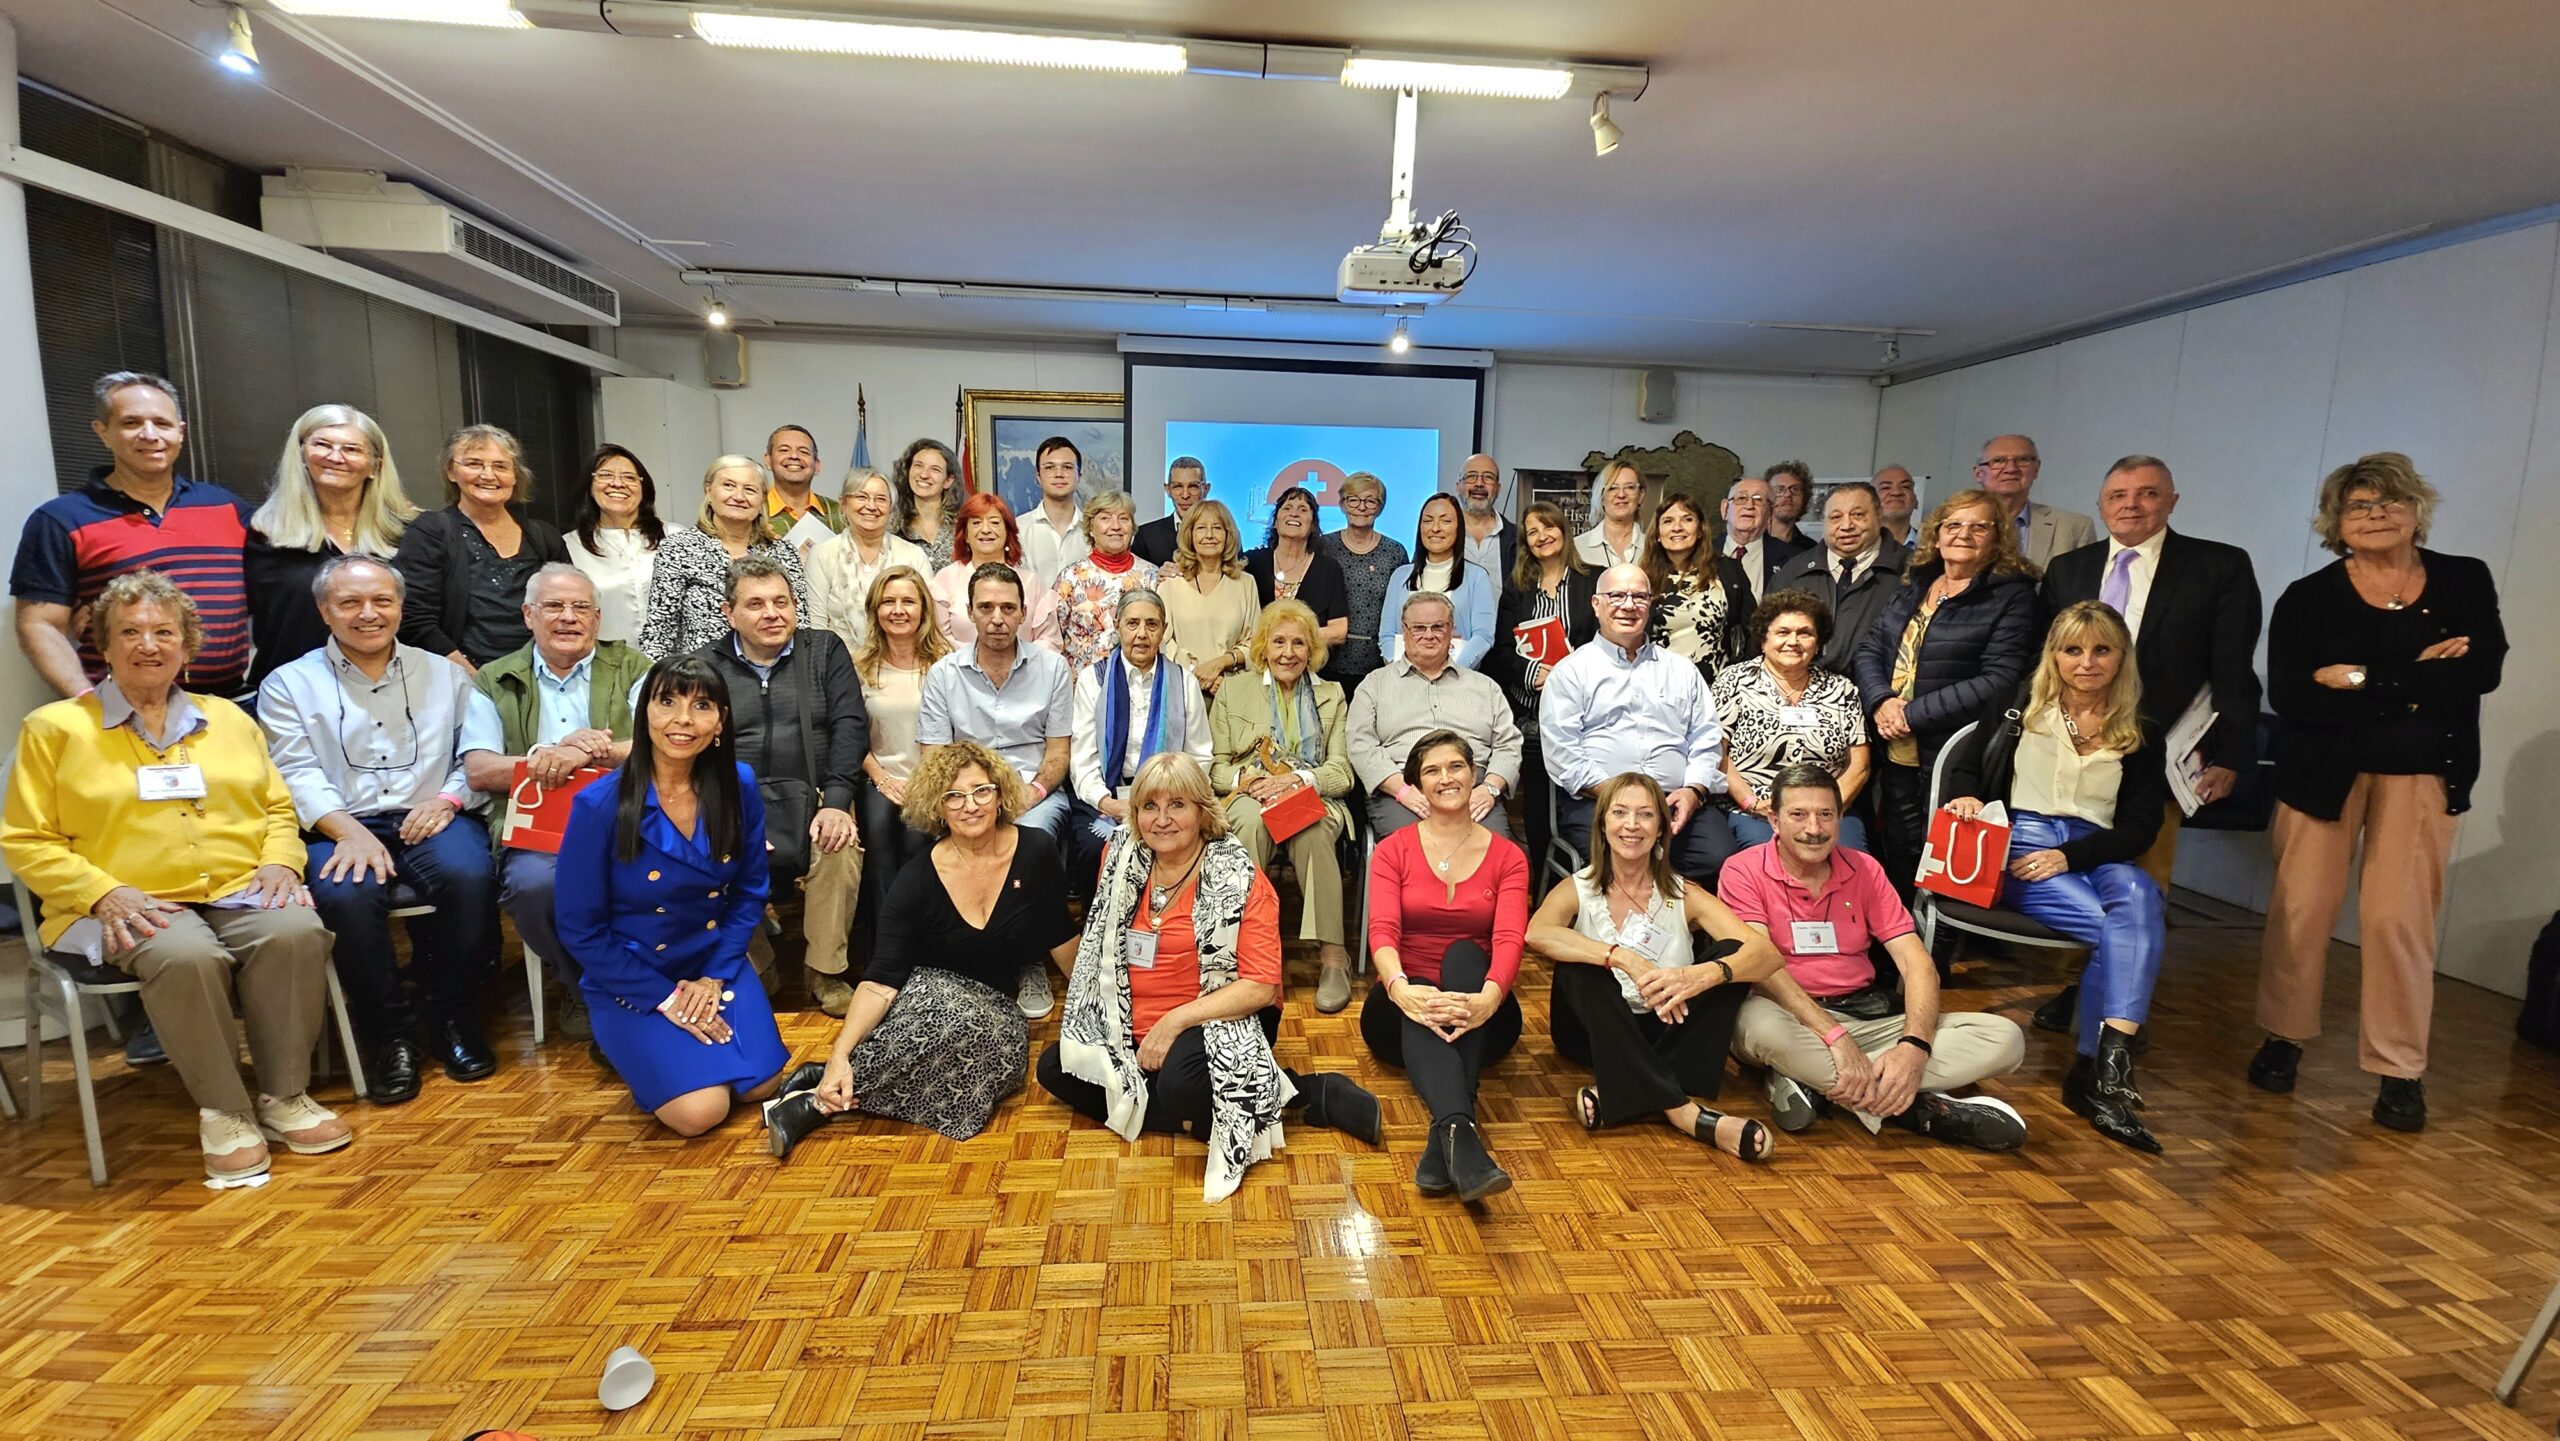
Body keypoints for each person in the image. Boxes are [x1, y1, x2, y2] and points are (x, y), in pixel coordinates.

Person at [1, 571, 345, 1182]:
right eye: (128, 632)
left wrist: (279, 861)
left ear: (188, 645)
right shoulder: (54, 729)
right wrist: (101, 892)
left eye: (164, 631)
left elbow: (276, 809)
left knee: (294, 931)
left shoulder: (229, 721)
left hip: (238, 885)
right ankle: (225, 1110)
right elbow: (26, 839)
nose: (148, 645)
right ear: (102, 646)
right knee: (185, 954)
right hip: (121, 899)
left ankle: (283, 1095)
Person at [2250, 453, 2505, 1133]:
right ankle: (2282, 1037)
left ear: (2417, 510)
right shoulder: (2308, 596)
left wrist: (2359, 679)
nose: (2376, 514)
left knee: (2399, 923)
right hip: (2321, 773)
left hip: (2422, 773)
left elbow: (2481, 671)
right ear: (2337, 522)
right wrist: (2414, 677)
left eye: (2391, 502)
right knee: (2300, 910)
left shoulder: (2463, 579)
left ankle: (2400, 1070)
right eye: (2360, 506)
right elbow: (2294, 694)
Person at [1040, 752, 1382, 1191]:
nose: (1162, 820)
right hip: (1135, 1019)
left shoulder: (1238, 875)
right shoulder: (1120, 860)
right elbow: (1097, 952)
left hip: (1217, 1013)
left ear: (1203, 811)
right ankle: (1232, 1104)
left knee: (1180, 1084)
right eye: (1149, 806)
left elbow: (1259, 987)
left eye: (1177, 805)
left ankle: (1307, 1094)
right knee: (1057, 1067)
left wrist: (1174, 1022)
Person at [258, 555, 497, 1103]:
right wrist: (346, 831)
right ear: (325, 610)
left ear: (400, 607)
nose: (369, 614)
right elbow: (292, 771)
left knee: (470, 876)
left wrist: (447, 799)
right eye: (350, 603)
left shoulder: (445, 673)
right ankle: (390, 1036)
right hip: (338, 822)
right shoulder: (287, 684)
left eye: (382, 601)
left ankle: (454, 1015)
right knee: (344, 894)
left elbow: (474, 755)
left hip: (431, 813)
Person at [764, 741, 1073, 1154]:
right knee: (952, 1028)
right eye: (954, 796)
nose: (971, 805)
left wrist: (1100, 1009)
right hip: (926, 994)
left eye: (981, 790)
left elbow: (1061, 936)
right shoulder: (917, 878)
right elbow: (880, 981)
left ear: (1000, 795)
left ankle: (825, 1077)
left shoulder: (1036, 850)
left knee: (994, 1072)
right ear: (938, 807)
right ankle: (819, 1104)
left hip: (997, 1006)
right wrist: (841, 1050)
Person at [1941, 604, 2169, 1152]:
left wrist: (2074, 855)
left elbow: (2142, 826)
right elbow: (1969, 766)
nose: (2086, 662)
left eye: (2101, 650)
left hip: (2096, 850)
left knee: (2140, 895)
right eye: (2073, 650)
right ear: (2054, 655)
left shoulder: (2139, 727)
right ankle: (2098, 1073)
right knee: (2115, 931)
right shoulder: (2021, 707)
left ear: (2121, 656)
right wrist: (1968, 795)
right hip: (2022, 844)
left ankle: (2100, 1071)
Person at [1723, 765, 2029, 1151]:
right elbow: (1763, 969)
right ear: (1774, 819)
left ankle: (1812, 1080)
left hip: (1866, 1016)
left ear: (1840, 817)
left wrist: (1913, 1048)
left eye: (1826, 815)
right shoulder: (1743, 870)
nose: (1813, 828)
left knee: (2006, 1039)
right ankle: (1913, 1108)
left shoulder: (1865, 869)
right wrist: (1834, 1038)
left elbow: (1916, 964)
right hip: (1788, 1016)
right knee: (1755, 1022)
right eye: (1798, 814)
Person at [553, 656, 791, 1135]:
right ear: (645, 714)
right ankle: (639, 1049)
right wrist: (664, 998)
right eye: (667, 702)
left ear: (720, 721)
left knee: (760, 1086)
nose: (683, 719)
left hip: (710, 961)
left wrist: (713, 977)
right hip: (637, 975)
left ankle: (682, 1060)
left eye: (701, 705)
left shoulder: (738, 783)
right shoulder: (599, 805)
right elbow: (580, 928)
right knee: (699, 1114)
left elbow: (748, 892)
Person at [1525, 771, 1783, 1160]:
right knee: (1578, 964)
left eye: (1645, 815)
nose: (1632, 825)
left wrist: (1700, 974)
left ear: (1662, 827)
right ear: (1603, 824)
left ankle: (1625, 1092)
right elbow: (1536, 934)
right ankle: (1685, 1113)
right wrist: (1621, 957)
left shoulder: (1686, 893)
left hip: (1665, 1027)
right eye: (1620, 813)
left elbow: (1766, 954)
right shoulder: (1577, 887)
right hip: (1592, 1036)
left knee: (1731, 954)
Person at [2040, 455, 2262, 897]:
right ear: (2101, 505)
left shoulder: (2218, 567)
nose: (2132, 505)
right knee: (2060, 874)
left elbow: (2233, 667)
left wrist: (2230, 756)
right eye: (2118, 495)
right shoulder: (2068, 568)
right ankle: (2062, 968)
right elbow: (2043, 660)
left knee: (2141, 882)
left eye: (2148, 493)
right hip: (2068, 749)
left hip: (2158, 746)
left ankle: (2130, 961)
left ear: (2172, 501)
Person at [457, 564, 646, 1043]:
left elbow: (661, 743)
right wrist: (548, 755)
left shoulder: (633, 667)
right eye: (554, 607)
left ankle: (633, 978)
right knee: (533, 886)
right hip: (536, 828)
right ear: (528, 615)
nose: (568, 617)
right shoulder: (494, 680)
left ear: (598, 619)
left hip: (622, 816)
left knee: (652, 873)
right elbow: (479, 769)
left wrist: (588, 751)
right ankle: (591, 985)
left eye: (581, 607)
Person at [693, 556, 868, 1016]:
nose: (772, 613)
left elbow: (851, 727)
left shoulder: (824, 651)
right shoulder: (705, 667)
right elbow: (690, 743)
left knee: (841, 845)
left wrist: (836, 802)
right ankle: (757, 968)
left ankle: (825, 971)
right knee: (708, 851)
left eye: (781, 602)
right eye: (755, 604)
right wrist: (723, 807)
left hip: (815, 796)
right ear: (729, 613)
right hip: (731, 801)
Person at [14, 372, 253, 702]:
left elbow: (280, 585)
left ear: (180, 432)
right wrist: (88, 700)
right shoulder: (59, 520)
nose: (150, 435)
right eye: (131, 423)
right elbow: (39, 626)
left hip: (232, 706)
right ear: (103, 432)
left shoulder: (226, 507)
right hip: (120, 709)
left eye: (162, 423)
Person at [1364, 731, 1532, 1200]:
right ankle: (1461, 1130)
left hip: (1485, 1011)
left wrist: (1489, 998)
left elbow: (1508, 937)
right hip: (1398, 1013)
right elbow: (1382, 931)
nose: (1446, 778)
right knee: (1425, 984)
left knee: (1464, 954)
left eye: (1455, 766)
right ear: (1417, 786)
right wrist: (1399, 988)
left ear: (1474, 773)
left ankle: (1451, 1133)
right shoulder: (1393, 850)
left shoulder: (1508, 856)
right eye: (1432, 770)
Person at [1852, 488, 2044, 895]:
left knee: (1942, 856)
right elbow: (1871, 648)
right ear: (1936, 535)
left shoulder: (2012, 596)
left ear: (1998, 537)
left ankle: (1935, 947)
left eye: (1979, 526)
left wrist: (1911, 714)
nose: (1964, 534)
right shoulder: (1917, 584)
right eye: (1953, 525)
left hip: (1953, 752)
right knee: (1899, 848)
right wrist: (1881, 701)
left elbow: (2002, 678)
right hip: (1893, 745)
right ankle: (1899, 944)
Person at [917, 561, 1077, 1017]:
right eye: (985, 607)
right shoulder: (944, 674)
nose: (997, 618)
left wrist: (1029, 795)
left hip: (1031, 792)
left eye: (1008, 607)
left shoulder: (1052, 669)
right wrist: (970, 800)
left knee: (1035, 838)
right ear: (970, 611)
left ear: (1024, 612)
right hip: (965, 791)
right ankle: (966, 956)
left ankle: (1027, 958)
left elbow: (1057, 755)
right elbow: (934, 759)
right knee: (956, 836)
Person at [1541, 563, 1736, 881]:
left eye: (1639, 596)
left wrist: (1693, 792)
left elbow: (1706, 738)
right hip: (1601, 802)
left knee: (1719, 858)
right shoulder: (1570, 672)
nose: (1628, 605)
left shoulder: (1681, 670)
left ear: (1651, 604)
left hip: (1675, 801)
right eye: (1616, 595)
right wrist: (1626, 800)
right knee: (1619, 864)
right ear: (1596, 604)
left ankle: (1675, 928)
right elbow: (1564, 754)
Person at [1209, 600, 1358, 1007]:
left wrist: (1298, 779)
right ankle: (1242, 952)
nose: (1288, 653)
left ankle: (1332, 957)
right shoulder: (1234, 691)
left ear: (1312, 650)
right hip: (1249, 796)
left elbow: (1342, 772)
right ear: (1263, 647)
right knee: (1250, 822)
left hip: (1311, 794)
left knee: (1313, 829)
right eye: (1278, 642)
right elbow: (1214, 768)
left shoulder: (1332, 695)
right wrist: (1246, 779)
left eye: (1298, 643)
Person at [245, 404, 418, 691]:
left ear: (375, 465)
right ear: (301, 454)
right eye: (322, 445)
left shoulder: (410, 533)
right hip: (293, 698)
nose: (335, 457)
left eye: (352, 449)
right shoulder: (264, 534)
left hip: (394, 693)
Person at [392, 424, 572, 673]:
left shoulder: (545, 537)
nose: (488, 475)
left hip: (540, 682)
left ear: (515, 476)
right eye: (474, 464)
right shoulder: (430, 532)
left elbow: (569, 610)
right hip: (458, 682)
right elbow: (414, 620)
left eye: (500, 466)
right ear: (451, 472)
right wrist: (474, 680)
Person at [1349, 591, 1522, 843]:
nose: (1428, 635)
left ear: (1452, 630)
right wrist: (1403, 791)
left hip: (1473, 790)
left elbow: (1509, 744)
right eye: (1419, 628)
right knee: (1416, 851)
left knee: (1494, 850)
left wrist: (1490, 789)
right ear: (1404, 630)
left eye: (1438, 627)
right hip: (1404, 792)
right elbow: (1360, 745)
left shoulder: (1485, 687)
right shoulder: (1374, 685)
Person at [1714, 590, 1872, 850]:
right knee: (1766, 858)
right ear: (1764, 639)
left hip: (1828, 811)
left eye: (1805, 633)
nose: (1794, 641)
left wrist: (1826, 811)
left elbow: (1859, 765)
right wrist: (1750, 803)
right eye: (1783, 632)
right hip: (1757, 812)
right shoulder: (1734, 681)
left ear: (1818, 642)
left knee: (1851, 860)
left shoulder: (1840, 688)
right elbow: (1718, 754)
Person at [1489, 499, 1597, 881]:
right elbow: (1502, 650)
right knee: (1537, 806)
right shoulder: (1518, 589)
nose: (1541, 536)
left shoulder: (1594, 580)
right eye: (1532, 532)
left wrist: (1571, 673)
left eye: (1548, 527)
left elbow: (1609, 640)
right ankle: (1543, 887)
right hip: (1533, 711)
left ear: (1564, 532)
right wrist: (1534, 672)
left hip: (1586, 709)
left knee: (1580, 798)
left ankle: (1584, 880)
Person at [1070, 589, 1211, 875]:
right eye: (1132, 624)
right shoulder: (1093, 680)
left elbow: (1199, 755)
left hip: (1171, 794)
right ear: (1117, 625)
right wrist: (1107, 802)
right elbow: (1082, 758)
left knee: (1185, 843)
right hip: (1108, 793)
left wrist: (1169, 802)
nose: (1142, 634)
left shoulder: (1183, 682)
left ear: (1164, 630)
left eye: (1152, 624)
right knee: (1092, 848)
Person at [850, 565, 951, 924]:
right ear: (875, 610)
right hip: (877, 777)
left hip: (933, 778)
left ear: (923, 608)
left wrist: (924, 781)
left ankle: (920, 939)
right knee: (877, 836)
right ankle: (884, 943)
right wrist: (882, 779)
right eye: (888, 601)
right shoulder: (858, 667)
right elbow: (850, 734)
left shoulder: (945, 664)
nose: (898, 610)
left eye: (908, 601)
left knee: (916, 838)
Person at [638, 455, 811, 660]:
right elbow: (659, 635)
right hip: (702, 681)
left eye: (750, 489)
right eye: (728, 485)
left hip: (778, 675)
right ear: (708, 491)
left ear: (762, 500)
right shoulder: (677, 549)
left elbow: (801, 626)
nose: (739, 496)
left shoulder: (783, 552)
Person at [1769, 480, 1909, 674]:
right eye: (1835, 517)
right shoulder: (1793, 571)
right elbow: (1767, 636)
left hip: (1878, 696)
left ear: (1878, 515)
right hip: (1801, 694)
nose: (1846, 525)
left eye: (1858, 515)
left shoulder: (1910, 572)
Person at [807, 467, 929, 654]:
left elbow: (929, 618)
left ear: (890, 508)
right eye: (861, 497)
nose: (871, 506)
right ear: (843, 504)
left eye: (880, 499)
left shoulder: (913, 555)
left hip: (903, 664)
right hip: (839, 667)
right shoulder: (822, 554)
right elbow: (816, 626)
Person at [1642, 493, 1752, 682]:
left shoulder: (1728, 570)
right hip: (1659, 688)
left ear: (1700, 529)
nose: (1677, 527)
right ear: (1657, 534)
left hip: (1716, 688)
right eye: (1668, 521)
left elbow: (1753, 629)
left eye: (1687, 519)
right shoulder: (1643, 578)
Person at [564, 444, 666, 647]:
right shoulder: (569, 546)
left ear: (644, 488)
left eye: (629, 477)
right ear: (590, 485)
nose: (617, 483)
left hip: (674, 669)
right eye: (605, 475)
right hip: (607, 667)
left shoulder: (675, 536)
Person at [1379, 493, 1496, 669]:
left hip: (1457, 681)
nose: (1435, 528)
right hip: (1405, 681)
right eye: (1428, 520)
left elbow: (1483, 636)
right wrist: (1401, 670)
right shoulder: (1400, 576)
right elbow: (1386, 635)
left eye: (1445, 521)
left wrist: (1450, 671)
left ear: (1459, 527)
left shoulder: (1477, 576)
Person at [1155, 500, 1258, 698]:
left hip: (1232, 691)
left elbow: (1255, 642)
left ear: (1228, 535)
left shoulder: (1246, 583)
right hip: (1181, 691)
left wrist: (1222, 664)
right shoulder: (1170, 583)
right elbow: (1161, 641)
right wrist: (1197, 672)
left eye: (1217, 528)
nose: (1209, 535)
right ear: (1189, 535)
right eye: (1201, 528)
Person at [929, 491, 1056, 648]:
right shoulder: (945, 579)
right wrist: (976, 663)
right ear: (966, 535)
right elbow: (938, 640)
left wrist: (1018, 663)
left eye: (995, 522)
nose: (986, 530)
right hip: (960, 670)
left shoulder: (1030, 582)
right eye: (976, 523)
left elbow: (1050, 640)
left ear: (1008, 532)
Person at [1048, 491, 1157, 673]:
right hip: (1082, 688)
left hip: (1138, 685)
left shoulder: (1151, 576)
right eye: (1106, 518)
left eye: (1123, 518)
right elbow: (1051, 637)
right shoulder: (1071, 578)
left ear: (1132, 528)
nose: (1116, 526)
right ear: (1091, 528)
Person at [1320, 470, 1409, 688]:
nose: (1361, 507)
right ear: (1342, 504)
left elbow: (1405, 606)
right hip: (1327, 661)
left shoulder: (1395, 552)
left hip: (1380, 664)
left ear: (1380, 507)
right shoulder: (1323, 547)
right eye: (1353, 500)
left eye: (1370, 501)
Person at [1243, 485, 1351, 649]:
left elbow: (1339, 631)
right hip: (1257, 663)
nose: (1294, 513)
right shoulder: (1251, 563)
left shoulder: (1328, 569)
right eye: (1287, 508)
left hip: (1310, 666)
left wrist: (1295, 639)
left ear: (1313, 525)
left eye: (1303, 509)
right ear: (1275, 522)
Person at [1972, 434, 2095, 569]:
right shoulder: (1952, 526)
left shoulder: (2075, 527)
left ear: (2036, 469)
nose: (2011, 469)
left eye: (2022, 460)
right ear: (1979, 474)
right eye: (1999, 461)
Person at [1018, 435, 1089, 596]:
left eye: (1067, 467)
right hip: (1032, 619)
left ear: (1080, 476)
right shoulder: (1017, 530)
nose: (1059, 474)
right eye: (1050, 467)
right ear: (1038, 477)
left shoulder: (1095, 531)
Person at [1721, 473, 1805, 603]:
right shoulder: (1699, 553)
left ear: (1770, 513)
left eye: (1759, 500)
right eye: (1741, 498)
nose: (1749, 506)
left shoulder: (1795, 560)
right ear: (1725, 509)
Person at [890, 437, 960, 572]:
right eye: (918, 465)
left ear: (948, 481)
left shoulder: (964, 527)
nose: (924, 475)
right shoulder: (891, 525)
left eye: (935, 469)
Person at [762, 424, 841, 536]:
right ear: (768, 460)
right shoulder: (753, 511)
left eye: (803, 452)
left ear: (817, 466)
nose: (794, 456)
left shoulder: (839, 513)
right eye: (784, 450)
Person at [1454, 452, 1520, 582]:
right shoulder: (1441, 535)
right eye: (1471, 476)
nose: (1479, 483)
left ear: (1498, 488)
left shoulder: (1519, 538)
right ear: (1458, 487)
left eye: (1488, 477)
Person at [1133, 455, 1208, 567]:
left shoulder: (1223, 533)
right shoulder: (1146, 536)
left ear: (1206, 489)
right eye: (1178, 487)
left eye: (1193, 486)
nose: (1185, 495)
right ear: (1168, 490)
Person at [1574, 461, 1647, 570]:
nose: (1621, 494)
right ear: (1601, 497)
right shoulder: (1576, 548)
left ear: (1641, 495)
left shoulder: (1654, 549)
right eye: (1612, 488)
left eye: (1629, 487)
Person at [1763, 460, 1818, 552]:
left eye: (1795, 489)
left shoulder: (1812, 550)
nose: (1788, 494)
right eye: (1780, 490)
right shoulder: (1750, 542)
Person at [1873, 464, 1919, 548]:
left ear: (1916, 501)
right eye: (1886, 487)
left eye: (1905, 487)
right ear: (1870, 502)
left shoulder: (1934, 547)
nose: (1896, 492)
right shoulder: (1855, 547)